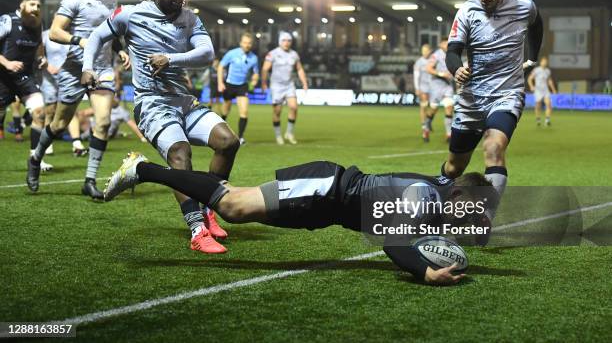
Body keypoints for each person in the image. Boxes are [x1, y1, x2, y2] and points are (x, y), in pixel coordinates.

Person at [105, 152, 493, 285]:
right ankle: (143, 170)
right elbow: (392, 241)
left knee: (233, 205)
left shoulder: (437, 199)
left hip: (324, 207)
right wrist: (425, 272)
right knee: (232, 205)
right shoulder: (425, 196)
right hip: (325, 188)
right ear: (458, 195)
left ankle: (149, 172)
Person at [83, 0, 240, 253]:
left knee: (228, 141)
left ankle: (208, 209)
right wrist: (87, 67)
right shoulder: (129, 14)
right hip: (152, 104)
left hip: (183, 102)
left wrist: (171, 58)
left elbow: (207, 53)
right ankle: (197, 230)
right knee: (181, 154)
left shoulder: (190, 18)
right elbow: (96, 37)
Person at [442, 0, 543, 231]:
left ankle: (483, 217)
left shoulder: (524, 6)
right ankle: (437, 204)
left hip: (507, 94)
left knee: (494, 148)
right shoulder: (466, 11)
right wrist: (457, 68)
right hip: (472, 99)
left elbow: (537, 23)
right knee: (453, 168)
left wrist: (533, 57)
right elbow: (452, 51)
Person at [27, 0, 131, 199]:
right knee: (59, 124)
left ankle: (90, 180)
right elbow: (55, 32)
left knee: (103, 122)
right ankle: (35, 158)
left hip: (102, 68)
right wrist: (82, 42)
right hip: (74, 69)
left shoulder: (111, 0)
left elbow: (112, 30)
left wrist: (119, 48)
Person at [0, 0, 48, 170]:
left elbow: (39, 46)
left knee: (40, 112)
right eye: (32, 5)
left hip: (24, 77)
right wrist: (7, 63)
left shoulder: (38, 24)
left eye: (38, 5)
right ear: (22, 5)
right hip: (2, 77)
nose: (36, 8)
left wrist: (41, 58)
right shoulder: (8, 21)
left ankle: (35, 159)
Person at [40, 28, 89, 157]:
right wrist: (47, 65)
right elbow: (38, 52)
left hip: (68, 75)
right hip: (50, 76)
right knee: (50, 110)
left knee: (70, 108)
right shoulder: (46, 35)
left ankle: (76, 143)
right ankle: (48, 143)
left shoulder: (74, 36)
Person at [260, 32, 308, 145]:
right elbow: (265, 69)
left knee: (294, 107)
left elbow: (299, 69)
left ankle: (289, 133)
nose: (286, 43)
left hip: (289, 85)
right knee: (277, 111)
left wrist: (304, 82)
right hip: (276, 86)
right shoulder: (273, 54)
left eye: (289, 41)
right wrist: (263, 83)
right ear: (280, 41)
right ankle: (278, 135)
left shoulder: (294, 54)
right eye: (284, 40)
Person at [218, 33, 260, 145]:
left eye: (249, 43)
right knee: (225, 110)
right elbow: (221, 66)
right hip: (229, 84)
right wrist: (220, 83)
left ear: (252, 44)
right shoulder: (232, 53)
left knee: (244, 112)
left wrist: (255, 80)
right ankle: (220, 131)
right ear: (241, 43)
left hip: (243, 86)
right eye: (245, 42)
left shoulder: (254, 58)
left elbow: (256, 73)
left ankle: (240, 137)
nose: (247, 45)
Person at [425, 38, 454, 142]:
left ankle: (449, 134)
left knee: (449, 107)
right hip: (436, 86)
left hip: (447, 86)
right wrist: (442, 74)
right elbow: (428, 68)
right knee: (433, 109)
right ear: (441, 44)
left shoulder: (452, 54)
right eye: (446, 43)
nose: (448, 45)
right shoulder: (436, 55)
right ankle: (426, 126)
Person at [528, 57, 556, 126]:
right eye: (543, 61)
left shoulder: (547, 71)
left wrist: (553, 89)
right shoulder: (536, 70)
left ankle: (547, 120)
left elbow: (549, 81)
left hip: (545, 90)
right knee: (538, 105)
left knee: (549, 104)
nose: (544, 63)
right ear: (541, 62)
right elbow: (529, 79)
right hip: (538, 90)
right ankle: (538, 119)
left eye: (546, 62)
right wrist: (531, 86)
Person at [413, 44, 432, 141]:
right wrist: (417, 88)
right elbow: (416, 76)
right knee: (424, 106)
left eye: (426, 50)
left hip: (434, 88)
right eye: (423, 50)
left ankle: (429, 121)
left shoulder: (433, 60)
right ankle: (425, 129)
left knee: (432, 107)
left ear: (430, 51)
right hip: (423, 88)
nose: (424, 52)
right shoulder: (419, 62)